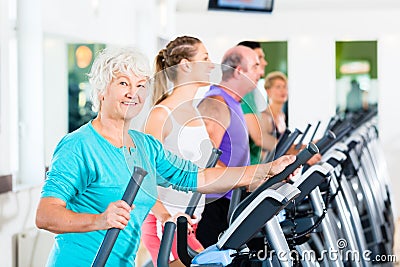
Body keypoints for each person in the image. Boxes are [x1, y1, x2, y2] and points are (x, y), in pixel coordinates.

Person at [35, 47, 296, 266]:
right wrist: (99, 220)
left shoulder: (145, 146)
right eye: (123, 83)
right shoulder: (78, 145)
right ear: (102, 90)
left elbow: (199, 176)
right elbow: (46, 215)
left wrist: (269, 169)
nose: (133, 93)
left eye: (140, 85)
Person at [141, 36, 214, 266]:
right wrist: (165, 217)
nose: (212, 64)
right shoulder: (162, 114)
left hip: (188, 221)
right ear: (185, 65)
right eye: (205, 57)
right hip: (166, 222)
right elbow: (143, 176)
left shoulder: (194, 112)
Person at [196, 45, 264, 248]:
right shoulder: (217, 102)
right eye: (255, 66)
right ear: (239, 71)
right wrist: (246, 180)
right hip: (215, 205)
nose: (260, 72)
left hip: (231, 200)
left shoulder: (234, 102)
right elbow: (206, 159)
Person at [238, 41, 277, 164]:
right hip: (246, 175)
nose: (264, 63)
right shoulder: (244, 92)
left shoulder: (251, 91)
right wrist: (294, 151)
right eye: (259, 58)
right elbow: (259, 138)